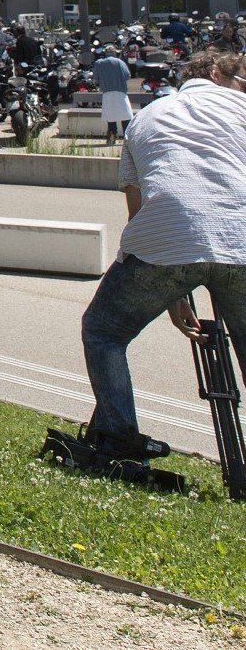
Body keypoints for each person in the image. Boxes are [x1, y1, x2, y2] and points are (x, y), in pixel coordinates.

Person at [80, 49, 246, 459]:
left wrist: (174, 297)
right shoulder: (240, 106)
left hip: (165, 241)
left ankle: (118, 439)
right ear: (214, 73)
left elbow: (138, 209)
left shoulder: (147, 116)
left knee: (104, 332)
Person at [94, 44, 133, 142]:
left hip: (107, 94)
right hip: (121, 93)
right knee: (125, 117)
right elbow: (127, 76)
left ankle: (111, 137)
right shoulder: (120, 62)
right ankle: (127, 139)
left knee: (110, 117)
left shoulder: (98, 63)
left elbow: (96, 79)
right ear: (115, 52)